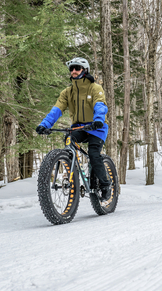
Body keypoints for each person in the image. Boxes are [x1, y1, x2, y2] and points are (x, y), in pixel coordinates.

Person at [36, 57, 111, 201]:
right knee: (68, 141)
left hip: (97, 127)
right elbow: (56, 110)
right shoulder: (67, 92)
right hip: (79, 127)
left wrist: (99, 120)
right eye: (72, 69)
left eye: (77, 68)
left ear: (85, 70)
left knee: (94, 154)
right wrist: (45, 125)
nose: (74, 71)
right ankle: (73, 175)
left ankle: (105, 184)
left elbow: (100, 105)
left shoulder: (95, 88)